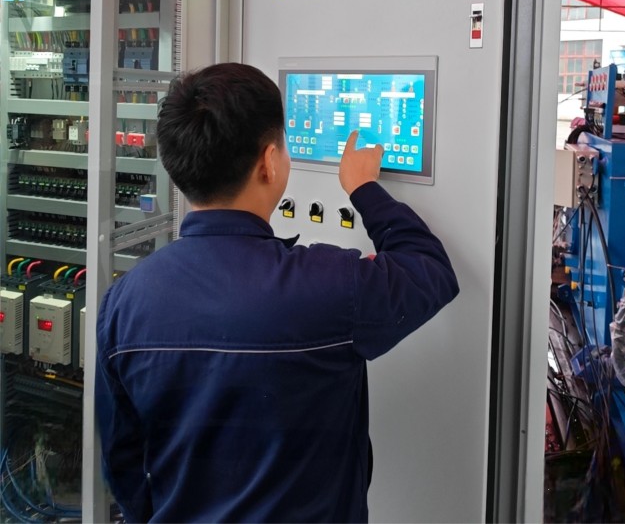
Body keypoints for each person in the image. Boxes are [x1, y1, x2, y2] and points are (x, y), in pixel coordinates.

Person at [95, 63, 459, 523]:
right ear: (269, 162)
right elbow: (429, 269)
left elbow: (122, 459)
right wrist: (364, 189)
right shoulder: (329, 286)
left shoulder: (124, 302)